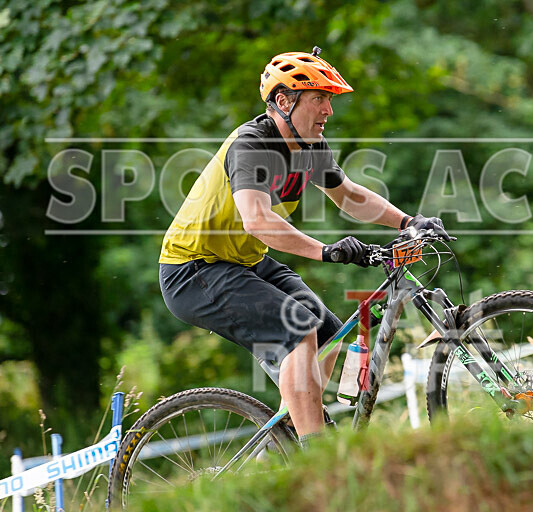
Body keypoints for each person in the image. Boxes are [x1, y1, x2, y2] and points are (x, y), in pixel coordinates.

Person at [158, 47, 449, 447]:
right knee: (300, 329)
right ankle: (318, 456)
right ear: (283, 101)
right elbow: (257, 219)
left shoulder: (309, 148)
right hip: (192, 270)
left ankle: (287, 436)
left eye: (329, 100)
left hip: (242, 262)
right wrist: (326, 251)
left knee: (331, 333)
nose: (328, 111)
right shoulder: (252, 146)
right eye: (319, 99)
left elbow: (347, 195)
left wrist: (408, 222)